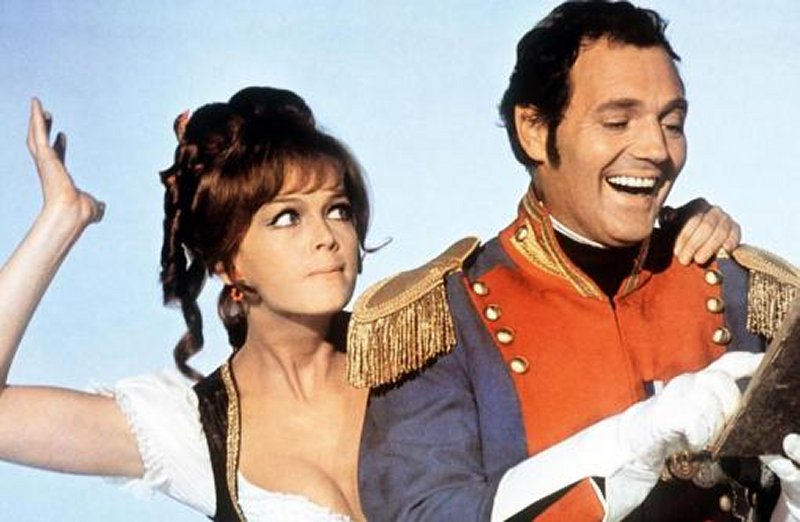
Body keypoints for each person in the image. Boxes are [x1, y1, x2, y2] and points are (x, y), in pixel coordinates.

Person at [0, 86, 748, 519]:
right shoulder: (197, 430)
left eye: (337, 209)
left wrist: (669, 237)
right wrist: (60, 220)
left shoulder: (427, 348)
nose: (327, 237)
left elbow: (567, 301)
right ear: (229, 261)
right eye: (285, 218)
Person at [353, 1, 800, 521]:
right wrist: (628, 443)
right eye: (617, 121)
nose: (656, 149)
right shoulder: (442, 320)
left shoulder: (740, 290)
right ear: (533, 130)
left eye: (673, 123)